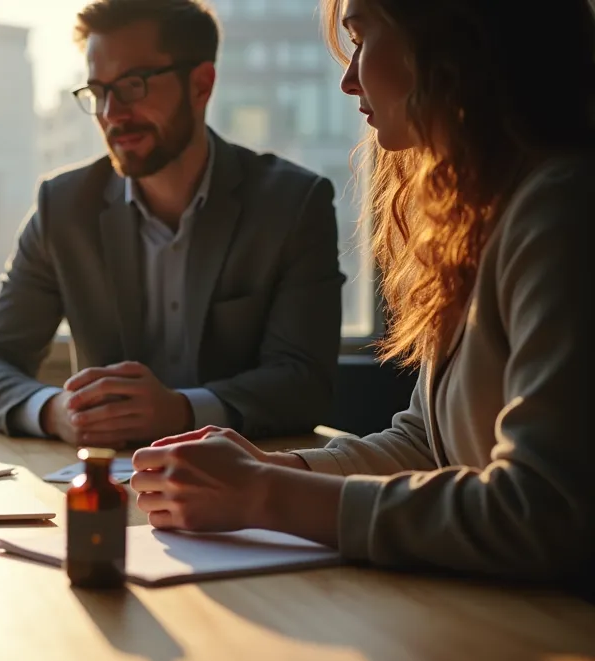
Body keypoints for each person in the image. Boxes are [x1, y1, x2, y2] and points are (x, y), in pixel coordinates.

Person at [131, 0, 595, 590]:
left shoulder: (564, 211)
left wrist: (265, 494)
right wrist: (275, 469)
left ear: (452, 42)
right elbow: (427, 443)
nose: (349, 78)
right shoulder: (484, 217)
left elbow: (544, 511)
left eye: (362, 38)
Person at [0, 0, 345, 448]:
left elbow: (304, 384)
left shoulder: (292, 204)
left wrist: (181, 411)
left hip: (248, 479)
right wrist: (55, 411)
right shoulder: (64, 208)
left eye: (132, 86)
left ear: (201, 85)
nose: (111, 113)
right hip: (106, 488)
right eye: (98, 91)